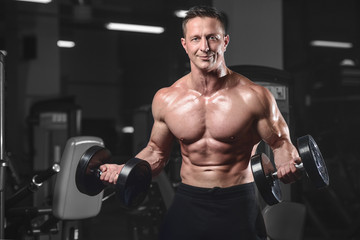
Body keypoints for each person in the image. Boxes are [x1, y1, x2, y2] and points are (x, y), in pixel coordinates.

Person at [99, 5, 302, 240]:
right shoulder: (167, 98)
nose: (204, 47)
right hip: (189, 201)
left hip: (237, 201)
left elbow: (280, 142)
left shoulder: (253, 96)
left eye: (212, 38)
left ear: (225, 42)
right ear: (185, 44)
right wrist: (127, 170)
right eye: (196, 39)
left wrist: (288, 161)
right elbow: (156, 152)